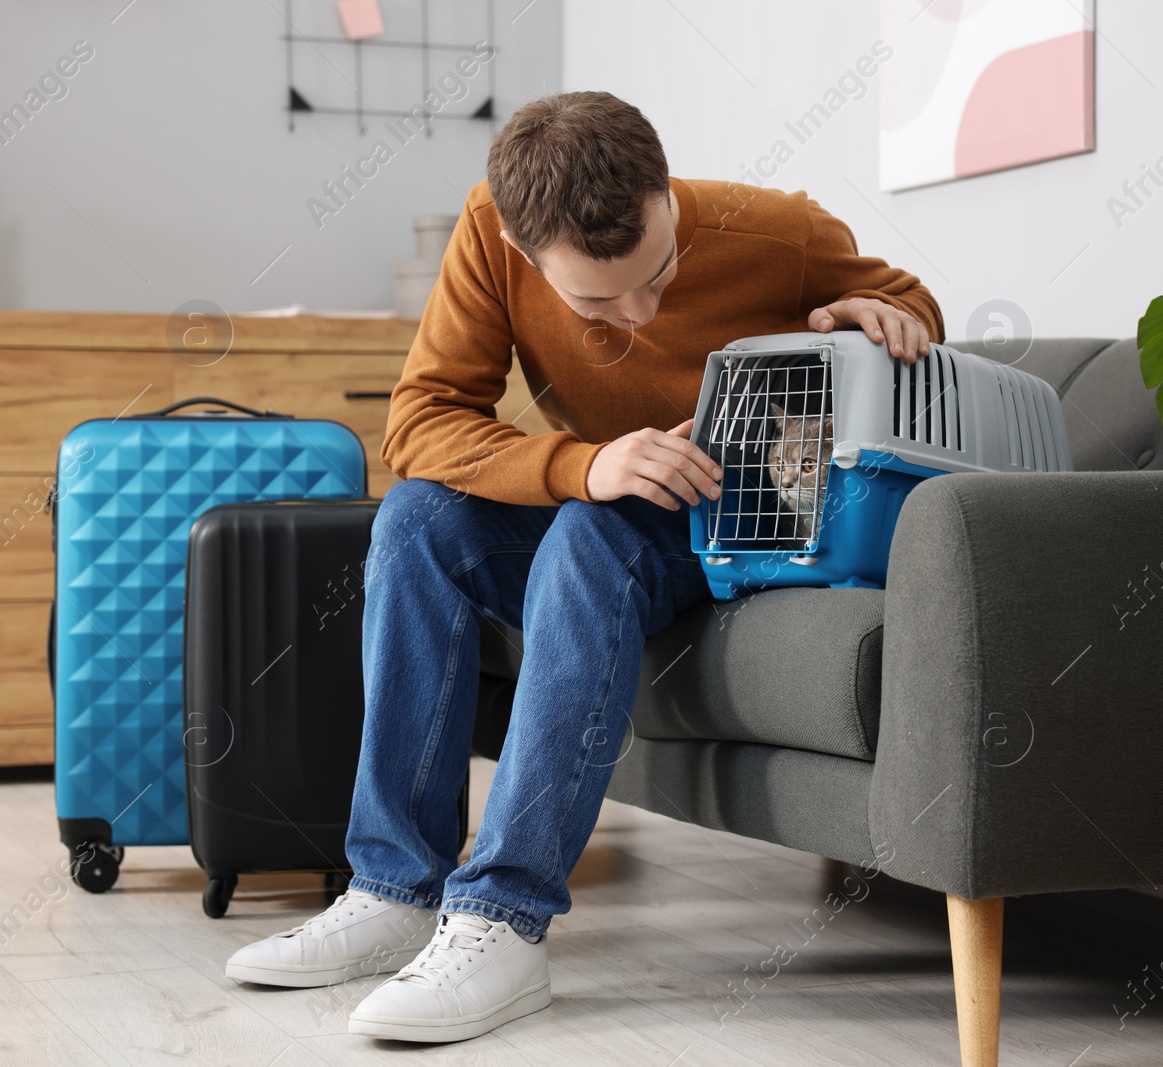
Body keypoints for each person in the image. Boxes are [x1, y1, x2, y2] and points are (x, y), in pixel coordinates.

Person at [223, 90, 943, 1043]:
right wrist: (585, 464)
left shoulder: (781, 230)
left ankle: (503, 920)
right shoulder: (489, 235)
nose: (640, 311)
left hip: (738, 524)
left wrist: (887, 312)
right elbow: (420, 419)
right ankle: (395, 888)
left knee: (590, 532)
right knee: (414, 521)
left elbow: (914, 303)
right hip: (608, 499)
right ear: (524, 251)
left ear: (664, 194)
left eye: (661, 269)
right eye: (600, 300)